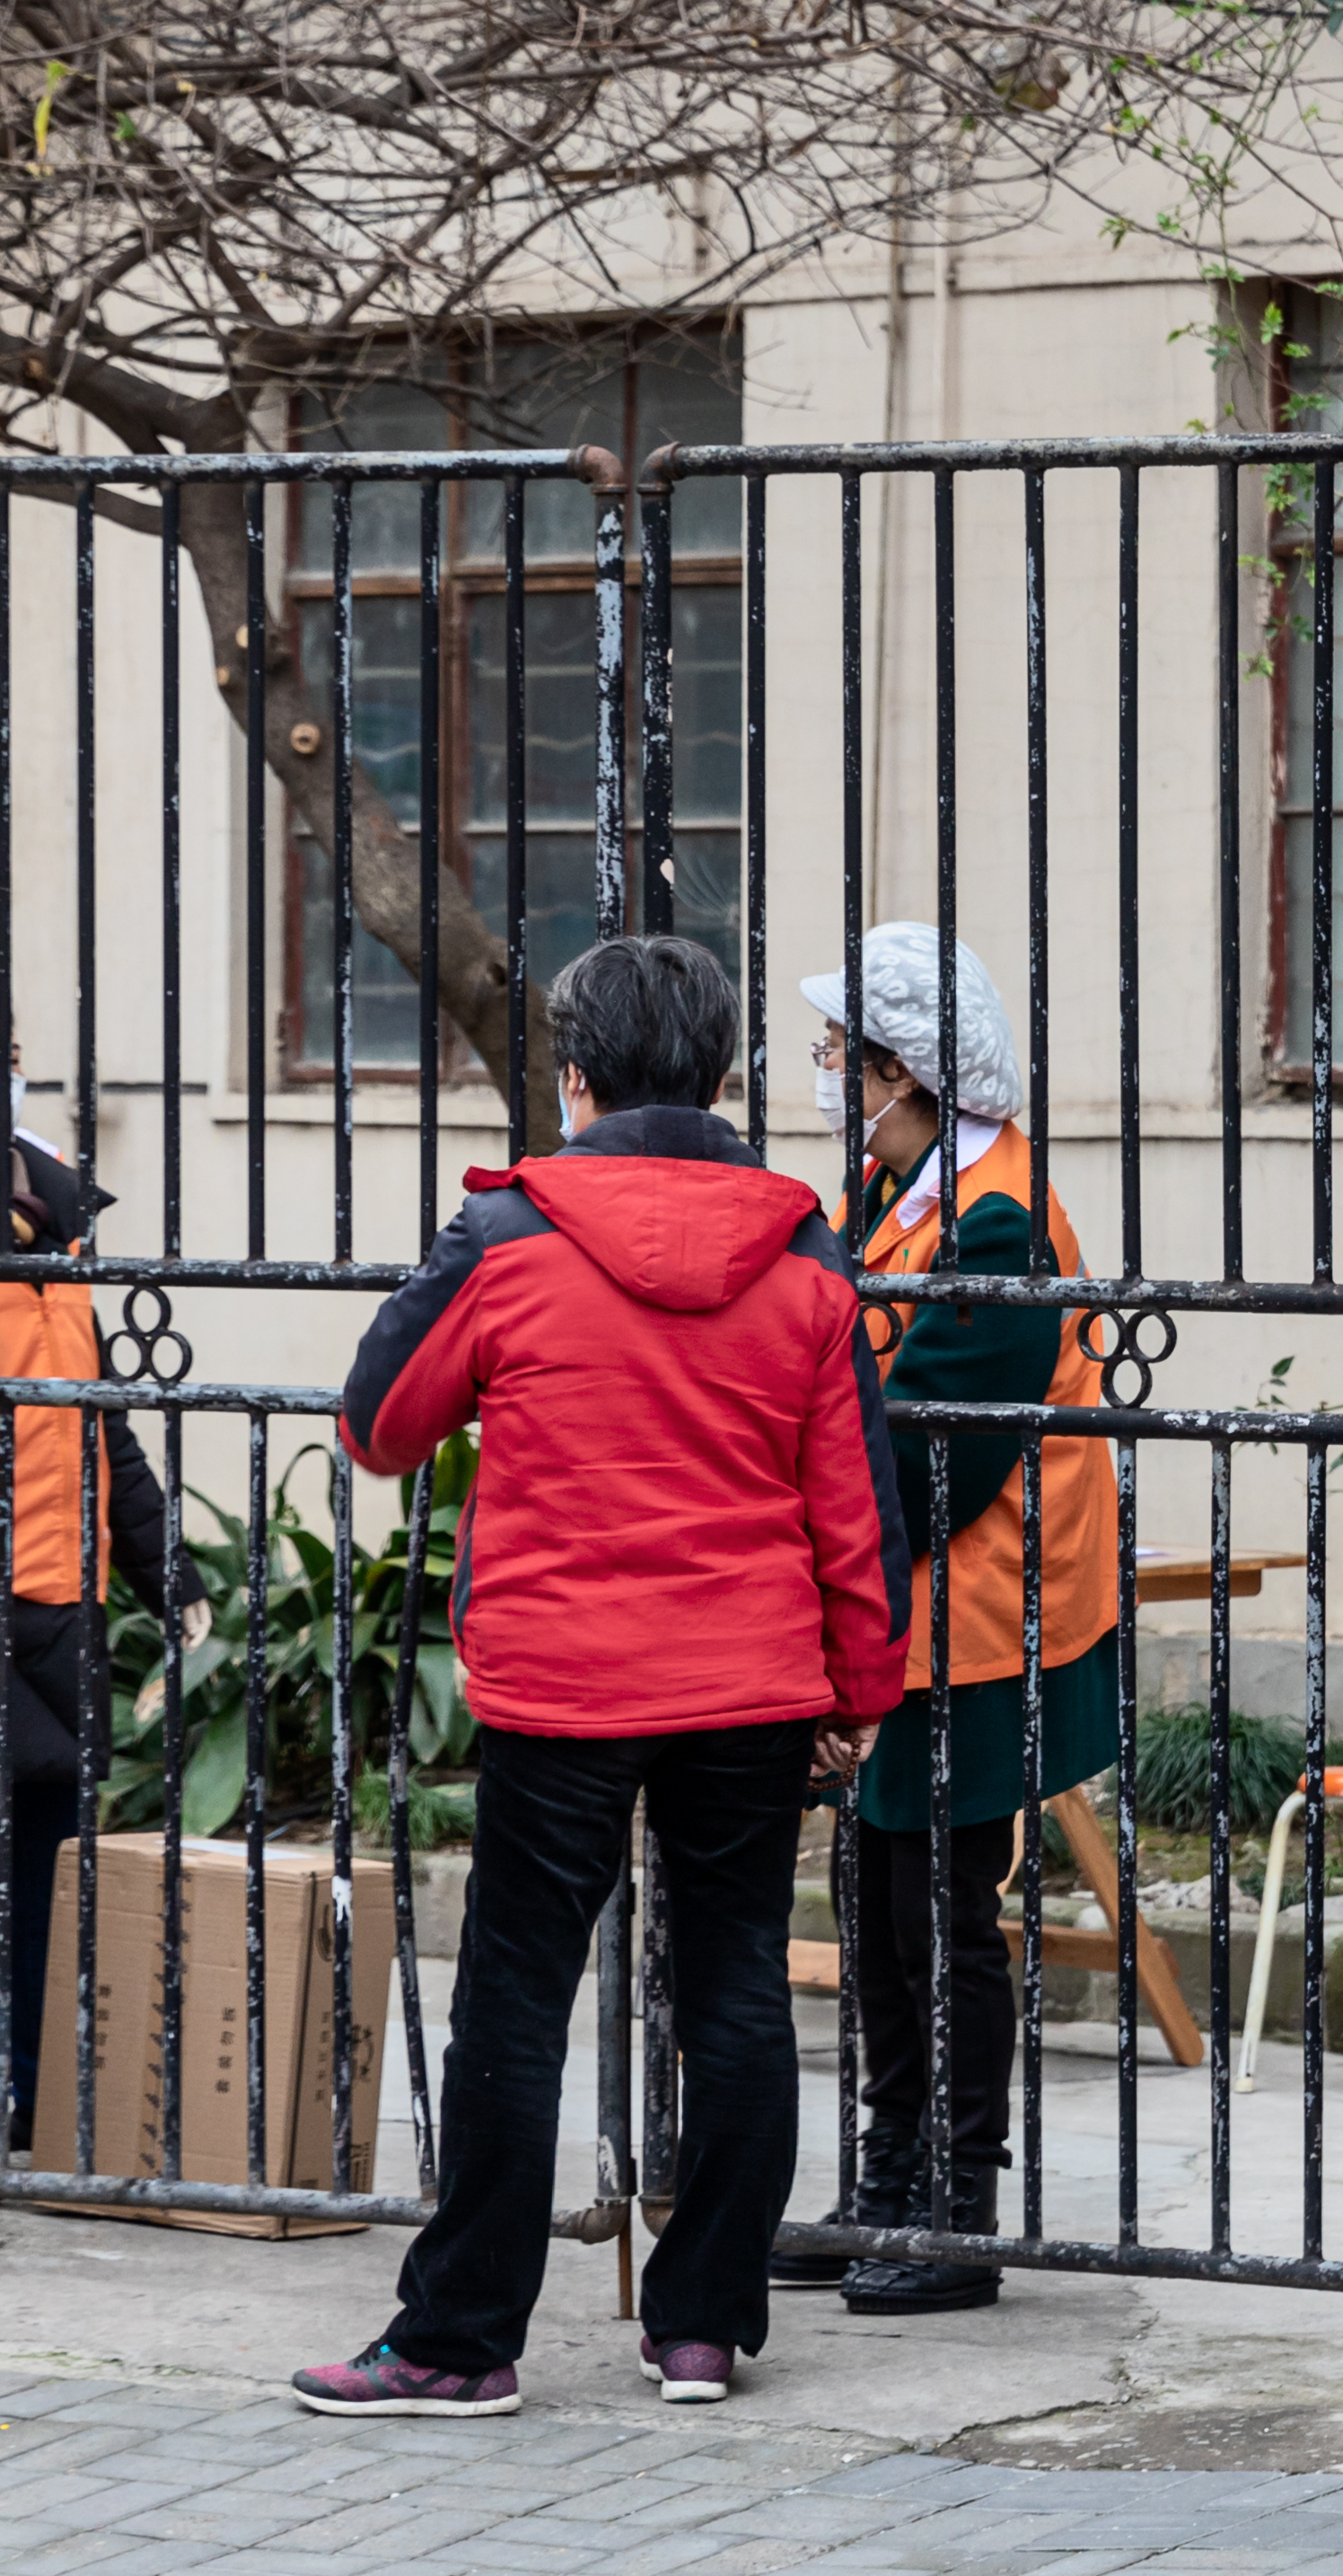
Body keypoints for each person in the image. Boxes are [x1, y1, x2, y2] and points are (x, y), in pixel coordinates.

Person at [291, 934, 904, 2420]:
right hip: (753, 1680)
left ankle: (459, 2341)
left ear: (574, 1077)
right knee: (737, 1992)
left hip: (562, 1680)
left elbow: (378, 1423)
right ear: (723, 1076)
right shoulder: (810, 1253)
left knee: (515, 1997)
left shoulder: (511, 1234)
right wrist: (859, 1694)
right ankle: (701, 2328)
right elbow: (854, 1504)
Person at [771, 923, 1127, 2321]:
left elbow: (930, 1447)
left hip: (989, 1612)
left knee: (947, 1907)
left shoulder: (999, 1216)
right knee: (876, 1896)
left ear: (905, 1072)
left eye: (841, 1056)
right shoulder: (892, 1185)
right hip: (908, 1607)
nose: (824, 1075)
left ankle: (956, 2210)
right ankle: (887, 2176)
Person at [0, 973, 188, 2164]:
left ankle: (39, 2106)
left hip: (57, 1598)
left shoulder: (57, 1224)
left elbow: (99, 1416)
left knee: (48, 1887)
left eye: (5, 1052)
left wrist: (167, 1570)